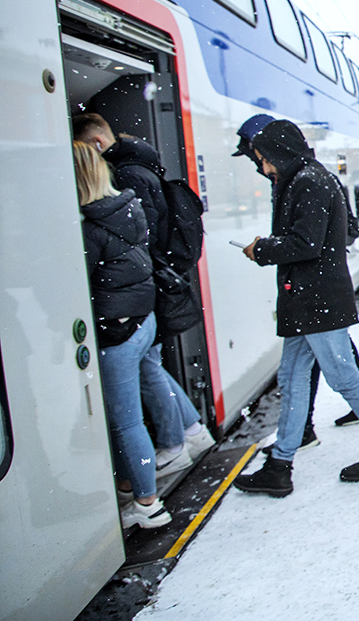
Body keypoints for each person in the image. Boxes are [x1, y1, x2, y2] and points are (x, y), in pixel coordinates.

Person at [233, 120, 359, 496]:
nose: (264, 169)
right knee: (292, 382)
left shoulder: (309, 181)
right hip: (305, 299)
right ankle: (279, 465)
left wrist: (262, 250)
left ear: (280, 152)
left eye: (265, 161)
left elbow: (306, 244)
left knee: (343, 376)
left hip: (317, 299)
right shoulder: (304, 178)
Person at [73, 113, 212, 478]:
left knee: (144, 383)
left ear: (98, 145)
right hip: (144, 296)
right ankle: (192, 433)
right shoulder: (138, 170)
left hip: (135, 301)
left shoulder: (127, 176)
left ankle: (172, 447)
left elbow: (140, 243)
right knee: (152, 367)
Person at [73, 141, 172, 529]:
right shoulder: (128, 207)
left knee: (128, 423)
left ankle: (148, 504)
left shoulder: (89, 228)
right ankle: (148, 471)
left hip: (117, 332)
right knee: (150, 390)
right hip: (142, 321)